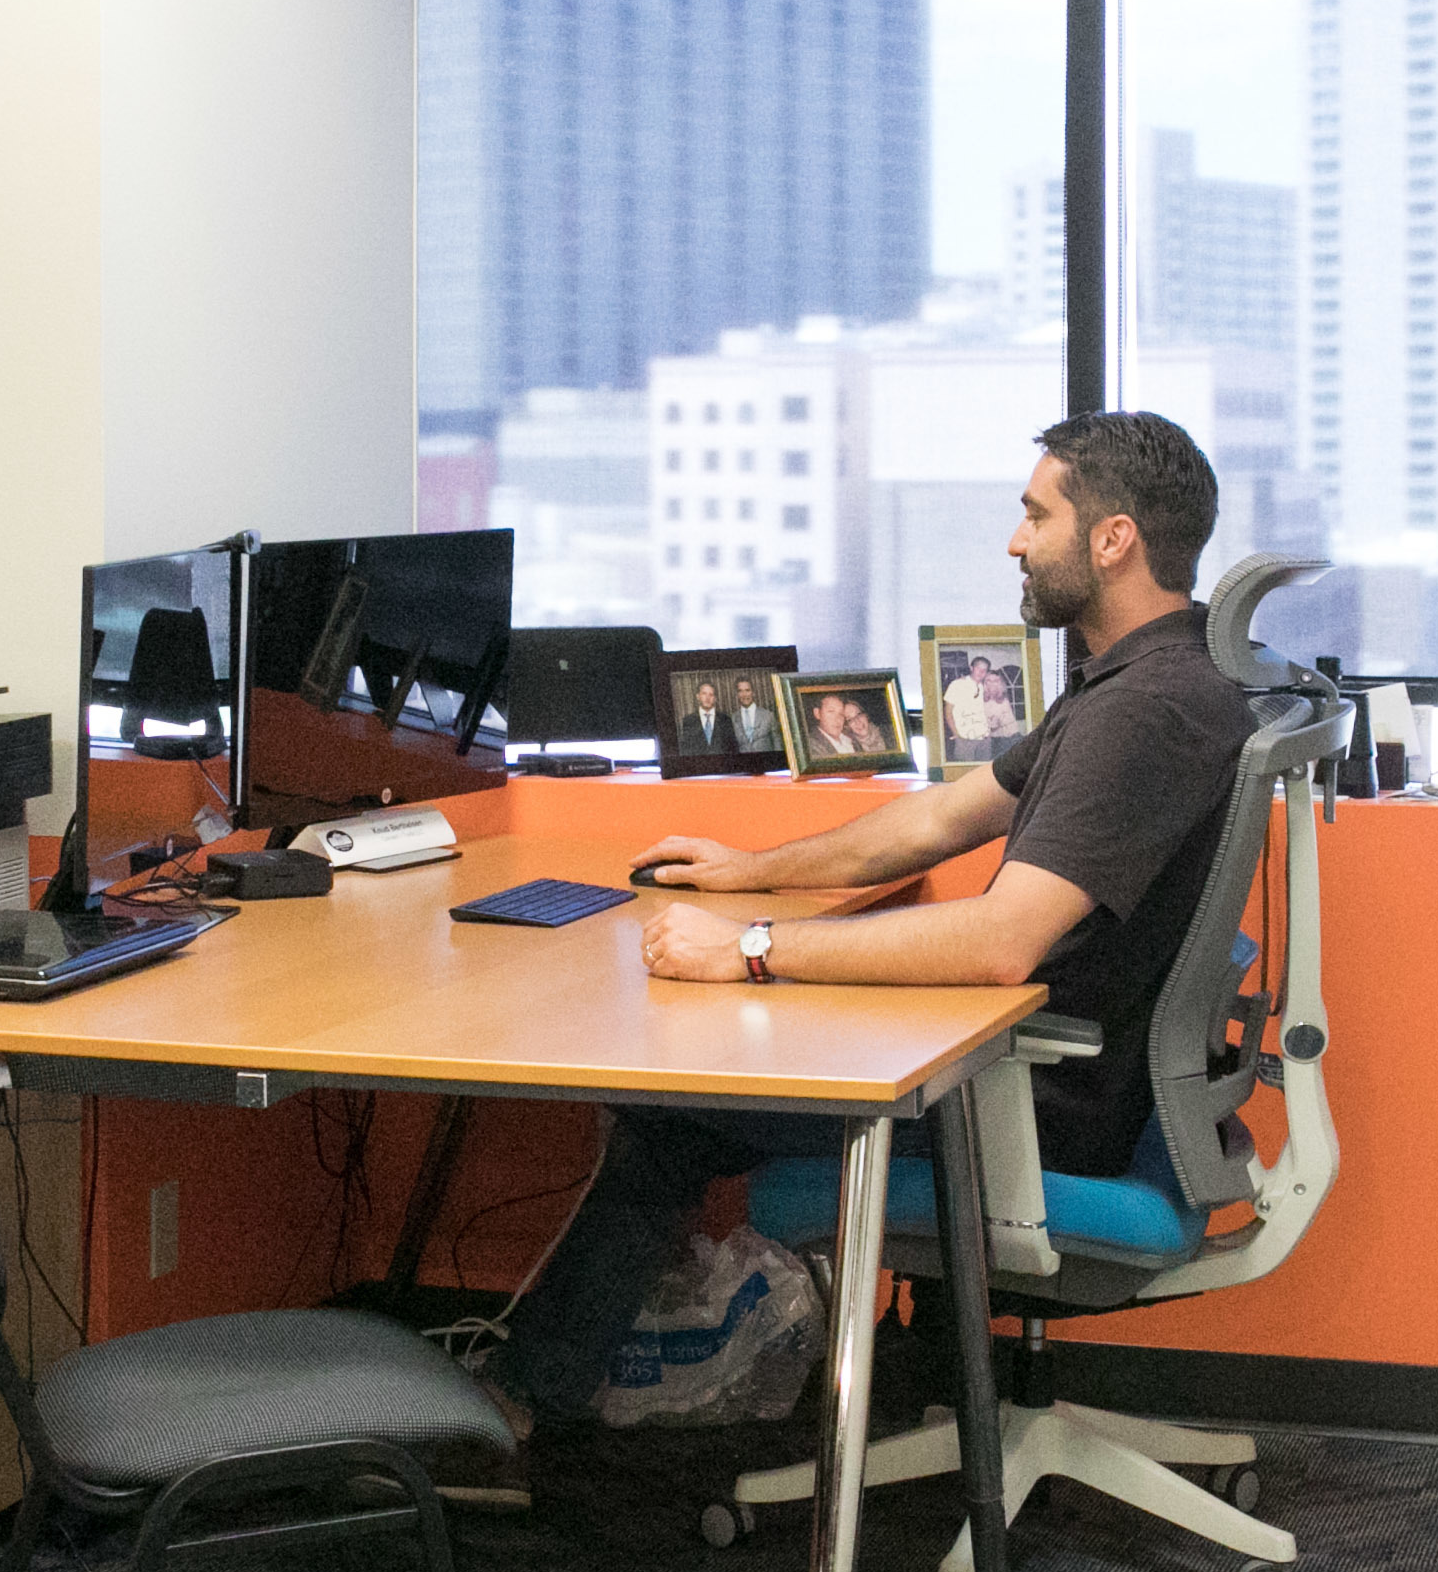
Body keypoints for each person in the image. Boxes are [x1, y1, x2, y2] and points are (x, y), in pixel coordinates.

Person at [484, 410, 1261, 1419]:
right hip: (1055, 1071)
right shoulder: (1150, 674)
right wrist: (749, 870)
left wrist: (749, 952)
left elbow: (996, 944)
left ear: (1111, 541)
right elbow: (942, 817)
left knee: (666, 1114)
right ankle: (566, 1390)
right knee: (699, 1083)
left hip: (1033, 1104)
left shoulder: (1141, 712)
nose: (1014, 540)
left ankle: (511, 1417)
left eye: (1036, 516)